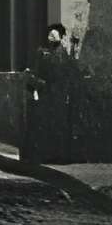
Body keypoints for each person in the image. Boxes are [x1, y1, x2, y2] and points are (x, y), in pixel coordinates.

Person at [21, 24, 73, 165]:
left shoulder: (64, 55)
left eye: (55, 36)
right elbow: (34, 72)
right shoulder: (42, 53)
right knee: (44, 123)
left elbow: (68, 75)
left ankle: (59, 155)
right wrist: (37, 86)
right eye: (50, 35)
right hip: (46, 93)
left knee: (58, 124)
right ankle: (46, 155)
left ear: (61, 38)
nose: (52, 38)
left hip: (59, 94)